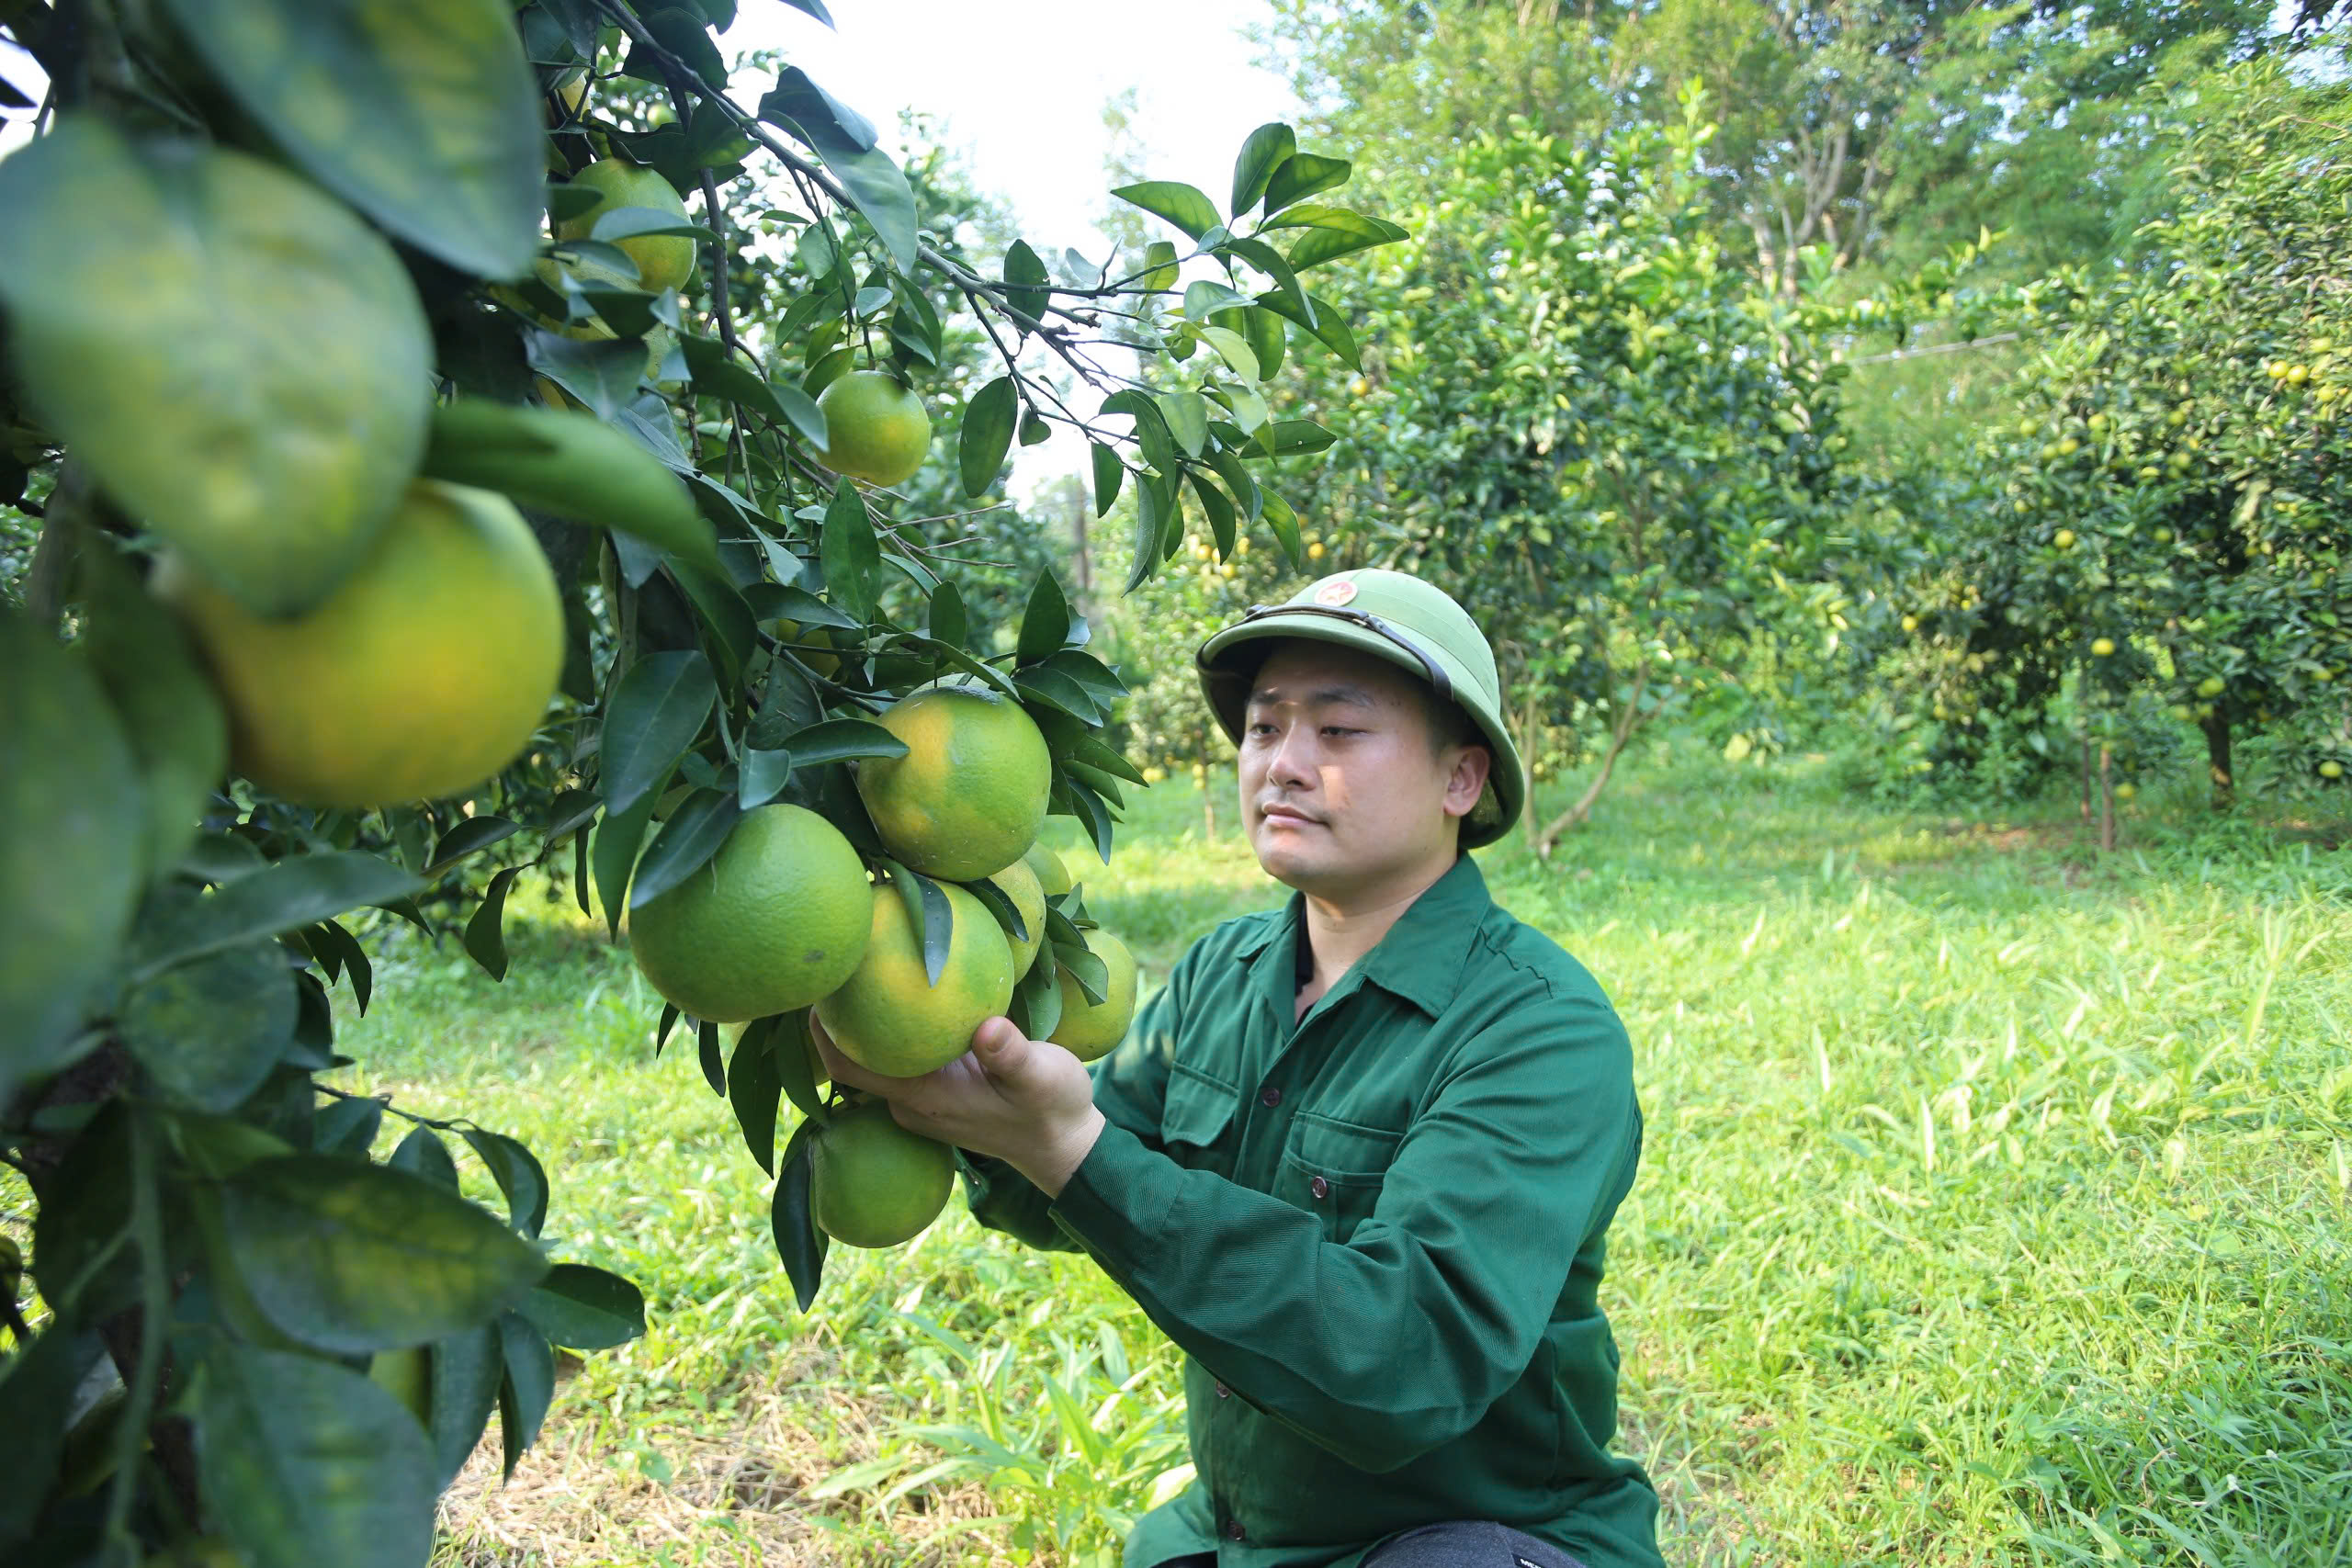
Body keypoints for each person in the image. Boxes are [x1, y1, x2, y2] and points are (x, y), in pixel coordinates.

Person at [812, 569, 1663, 1568]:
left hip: (1476, 1536)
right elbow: (1089, 1182)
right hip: (1244, 1537)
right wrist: (979, 1110)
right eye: (1265, 730)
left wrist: (1068, 1147)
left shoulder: (1537, 1029)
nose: (1284, 766)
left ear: (1459, 779)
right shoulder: (1226, 971)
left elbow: (1404, 1362)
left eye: (1338, 732)